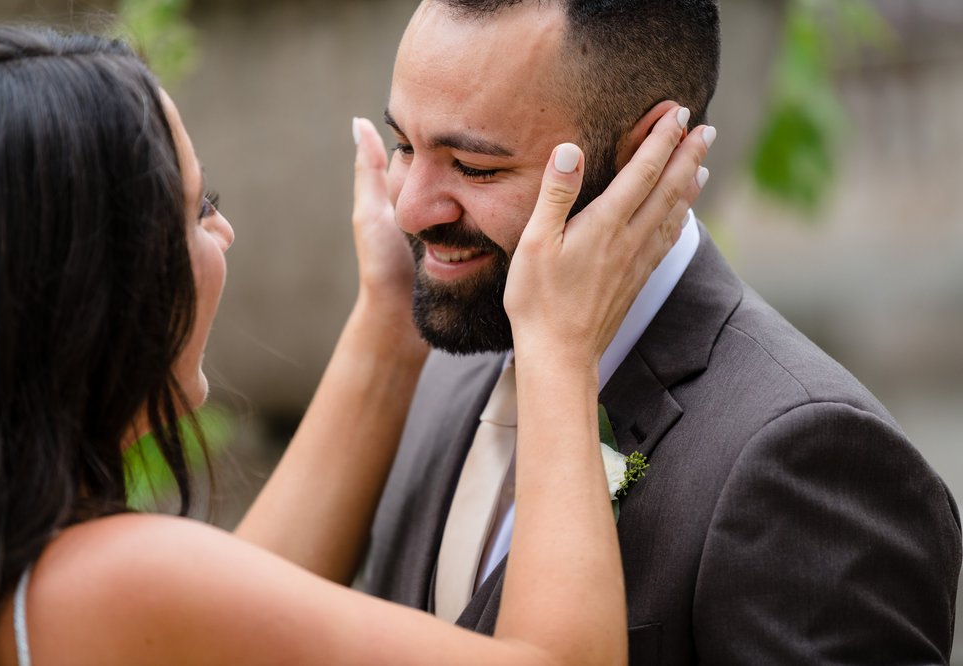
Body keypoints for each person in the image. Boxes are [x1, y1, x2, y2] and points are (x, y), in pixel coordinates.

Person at [0, 25, 713, 665]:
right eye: (198, 210)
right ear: (87, 284)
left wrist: (395, 318)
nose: (224, 233)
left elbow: (235, 601)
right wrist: (559, 343)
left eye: (476, 167)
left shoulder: (19, 556)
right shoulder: (102, 578)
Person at [360, 1, 963, 663]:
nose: (410, 208)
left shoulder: (813, 460)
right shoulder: (446, 362)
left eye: (475, 167)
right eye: (404, 146)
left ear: (650, 149)